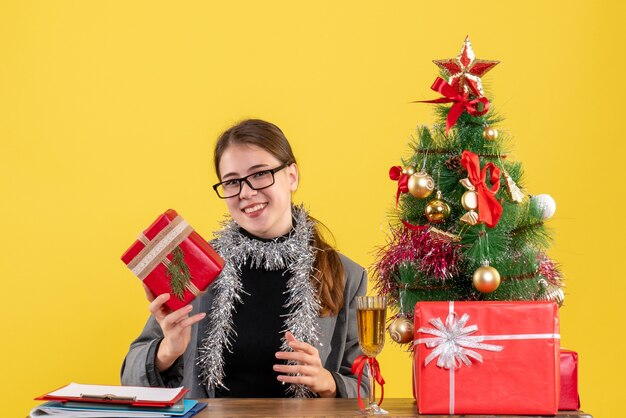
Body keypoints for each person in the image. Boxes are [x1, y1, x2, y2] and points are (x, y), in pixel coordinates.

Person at [121, 119, 368, 398]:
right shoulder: (194, 267)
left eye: (260, 174)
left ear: (292, 176)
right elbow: (130, 377)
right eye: (232, 181)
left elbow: (366, 388)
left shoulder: (347, 275)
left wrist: (328, 382)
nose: (247, 192)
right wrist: (167, 351)